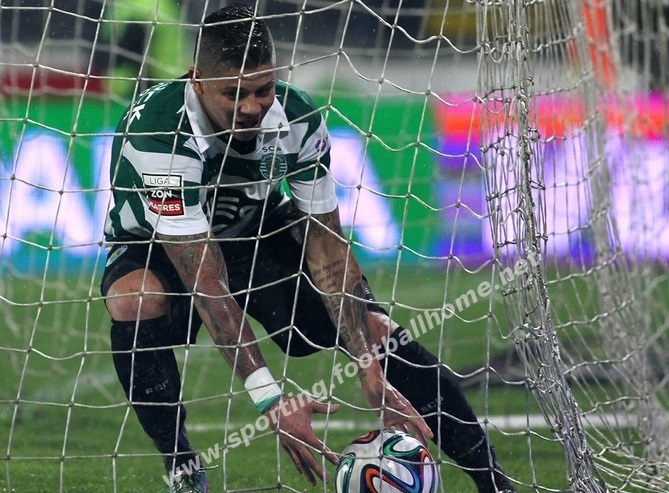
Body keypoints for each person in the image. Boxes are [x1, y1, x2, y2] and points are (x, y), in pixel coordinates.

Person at [100, 4, 516, 493]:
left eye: (263, 90)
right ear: (198, 82)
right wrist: (270, 400)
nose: (252, 107)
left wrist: (367, 363)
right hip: (157, 246)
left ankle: (493, 481)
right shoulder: (160, 135)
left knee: (379, 333)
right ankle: (182, 464)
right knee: (135, 299)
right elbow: (207, 282)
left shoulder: (296, 117)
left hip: (254, 233)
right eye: (234, 94)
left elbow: (325, 243)